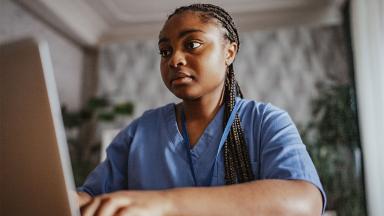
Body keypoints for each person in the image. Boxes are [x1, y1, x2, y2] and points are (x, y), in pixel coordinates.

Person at [77, 3, 325, 216]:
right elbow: (90, 199)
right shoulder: (141, 132)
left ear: (229, 52)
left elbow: (305, 202)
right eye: (166, 51)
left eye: (192, 44)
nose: (174, 60)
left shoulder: (264, 122)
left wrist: (165, 203)